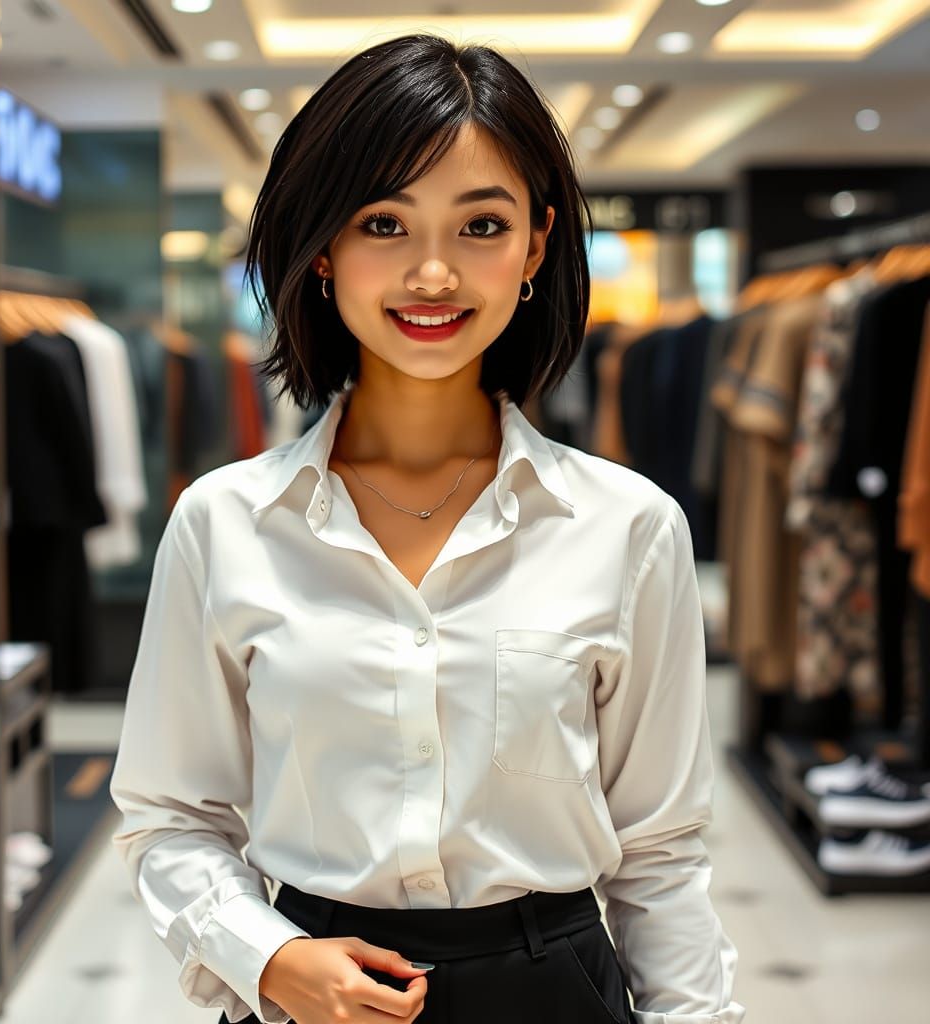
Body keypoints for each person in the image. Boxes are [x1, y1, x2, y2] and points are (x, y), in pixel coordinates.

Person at [110, 32, 744, 1024]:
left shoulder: (628, 529)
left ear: (537, 243)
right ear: (323, 247)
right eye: (384, 224)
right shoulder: (225, 524)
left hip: (553, 990)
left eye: (480, 225)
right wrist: (267, 957)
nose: (435, 273)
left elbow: (660, 854)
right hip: (310, 991)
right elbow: (168, 815)